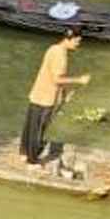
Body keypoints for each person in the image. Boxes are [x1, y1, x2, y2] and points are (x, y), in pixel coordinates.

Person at [21, 28, 91, 165]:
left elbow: (59, 77)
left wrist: (64, 95)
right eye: (77, 41)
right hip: (46, 98)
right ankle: (32, 161)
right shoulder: (60, 55)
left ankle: (24, 153)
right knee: (38, 130)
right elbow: (57, 79)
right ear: (69, 39)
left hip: (37, 93)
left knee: (30, 126)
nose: (78, 44)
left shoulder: (53, 48)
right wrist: (79, 80)